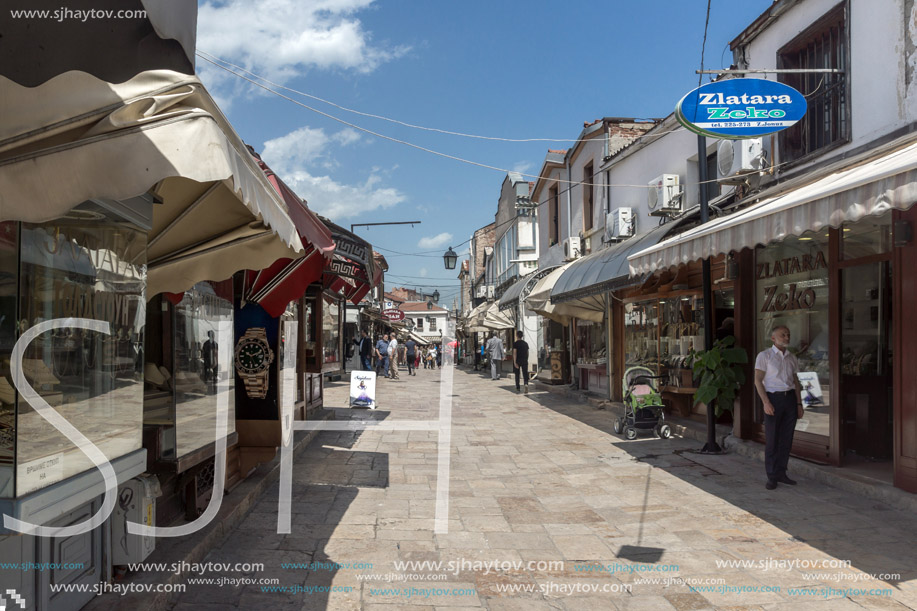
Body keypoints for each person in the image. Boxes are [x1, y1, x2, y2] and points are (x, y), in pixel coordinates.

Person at [753, 325, 803, 490]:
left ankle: (782, 472)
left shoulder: (791, 357)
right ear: (773, 338)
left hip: (789, 399)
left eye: (788, 334)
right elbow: (758, 381)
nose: (786, 337)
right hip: (773, 398)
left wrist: (799, 403)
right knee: (772, 438)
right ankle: (771, 476)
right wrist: (766, 402)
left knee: (786, 439)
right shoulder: (764, 356)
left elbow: (795, 382)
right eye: (783, 335)